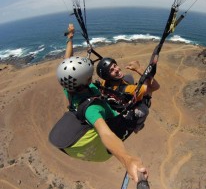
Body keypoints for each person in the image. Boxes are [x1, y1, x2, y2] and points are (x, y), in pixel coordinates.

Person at [55, 23, 148, 183]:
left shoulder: (70, 87)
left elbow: (67, 60)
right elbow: (106, 134)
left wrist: (70, 38)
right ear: (87, 80)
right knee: (143, 109)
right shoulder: (92, 109)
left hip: (104, 106)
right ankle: (136, 126)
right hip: (115, 124)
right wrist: (127, 160)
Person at [96, 54, 160, 133]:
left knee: (128, 77)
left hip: (116, 101)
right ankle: (137, 127)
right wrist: (139, 69)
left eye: (115, 66)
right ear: (107, 76)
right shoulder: (127, 90)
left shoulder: (105, 83)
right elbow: (155, 86)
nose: (116, 69)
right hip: (126, 105)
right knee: (144, 108)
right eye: (111, 70)